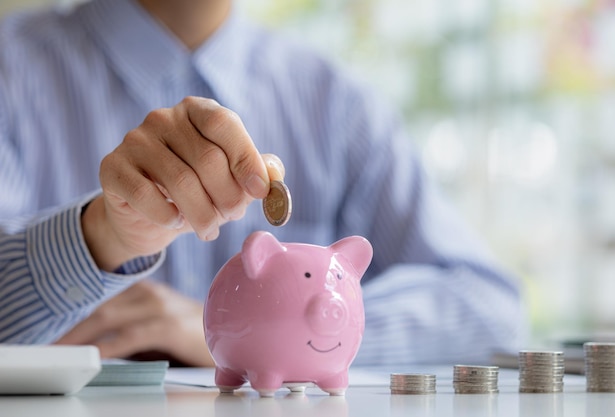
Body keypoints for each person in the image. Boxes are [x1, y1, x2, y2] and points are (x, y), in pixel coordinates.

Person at [0, 0, 526, 367]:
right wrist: (103, 238)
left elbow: (488, 308)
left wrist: (257, 333)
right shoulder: (10, 71)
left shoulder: (335, 102)